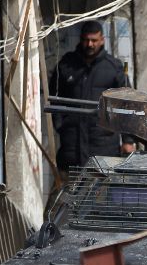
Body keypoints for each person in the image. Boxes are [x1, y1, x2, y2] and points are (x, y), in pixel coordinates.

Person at [49, 20, 136, 172]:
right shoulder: (66, 65)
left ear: (102, 40)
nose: (90, 44)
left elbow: (127, 105)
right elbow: (54, 99)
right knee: (71, 193)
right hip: (71, 148)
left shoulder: (114, 67)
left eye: (94, 40)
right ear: (81, 39)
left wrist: (128, 140)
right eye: (86, 40)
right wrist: (61, 126)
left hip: (103, 146)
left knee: (101, 193)